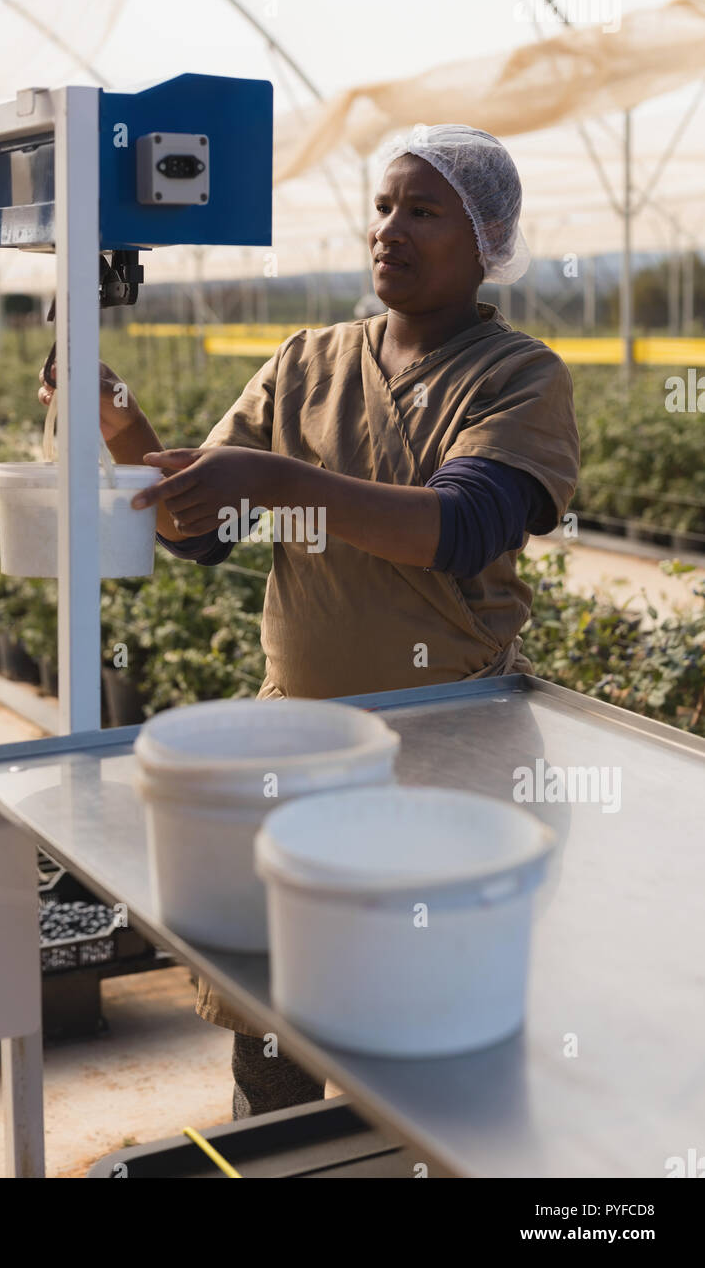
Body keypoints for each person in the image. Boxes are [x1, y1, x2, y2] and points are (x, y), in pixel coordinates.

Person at [39, 123, 579, 1121]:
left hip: (446, 749)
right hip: (296, 747)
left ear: (485, 236)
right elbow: (204, 528)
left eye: (422, 210)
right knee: (275, 1012)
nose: (389, 229)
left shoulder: (517, 376)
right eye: (382, 206)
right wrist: (118, 421)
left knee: (424, 1018)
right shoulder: (307, 362)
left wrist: (281, 477)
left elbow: (458, 528)